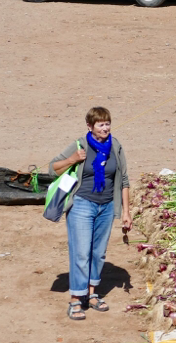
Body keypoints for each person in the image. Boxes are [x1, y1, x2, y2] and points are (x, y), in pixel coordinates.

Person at [49, 107, 130, 321]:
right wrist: (73, 159)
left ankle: (92, 294)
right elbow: (52, 168)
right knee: (81, 252)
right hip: (82, 204)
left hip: (106, 207)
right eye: (100, 124)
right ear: (90, 126)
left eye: (107, 123)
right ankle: (76, 298)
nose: (105, 128)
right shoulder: (80, 146)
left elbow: (123, 180)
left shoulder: (116, 146)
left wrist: (126, 212)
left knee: (98, 252)